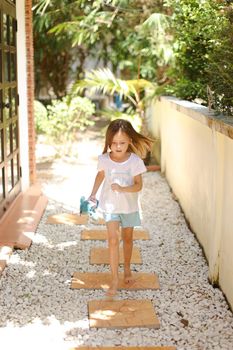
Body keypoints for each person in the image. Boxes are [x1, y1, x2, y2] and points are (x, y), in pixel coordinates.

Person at [89, 119, 153, 297]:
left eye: (122, 143)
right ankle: (114, 279)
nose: (118, 146)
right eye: (114, 143)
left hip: (129, 207)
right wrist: (92, 194)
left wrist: (123, 189)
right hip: (110, 206)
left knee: (128, 239)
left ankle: (126, 269)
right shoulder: (104, 159)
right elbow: (100, 176)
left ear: (130, 141)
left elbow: (138, 185)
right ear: (108, 142)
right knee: (112, 240)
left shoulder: (135, 161)